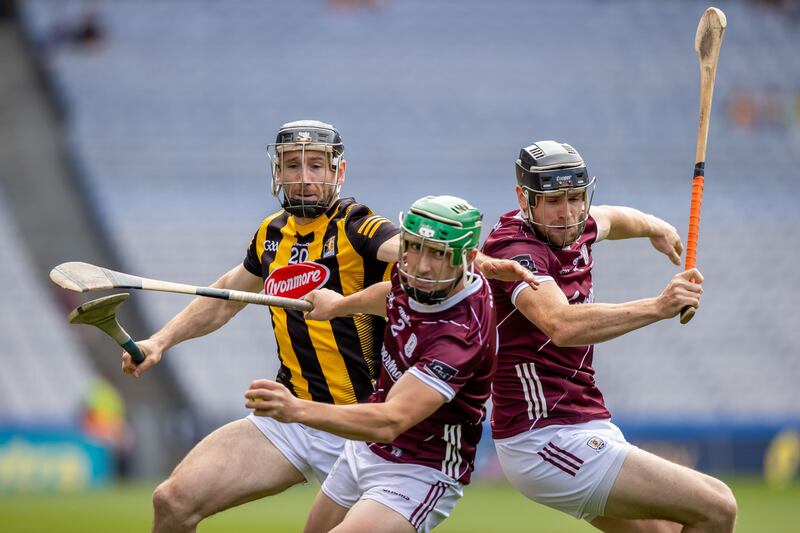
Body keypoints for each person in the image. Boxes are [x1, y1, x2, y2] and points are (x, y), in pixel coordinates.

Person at [119, 120, 532, 531]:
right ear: (276, 172)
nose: (304, 179)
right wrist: (160, 340)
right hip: (290, 418)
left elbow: (412, 249)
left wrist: (477, 261)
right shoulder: (270, 235)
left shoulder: (358, 225)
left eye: (316, 166)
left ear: (338, 171)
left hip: (363, 424)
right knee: (172, 500)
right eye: (292, 166)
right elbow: (226, 296)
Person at [481, 140, 738, 532]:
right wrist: (658, 306)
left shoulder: (576, 224)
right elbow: (561, 325)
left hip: (580, 421)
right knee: (719, 506)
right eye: (554, 201)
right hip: (543, 437)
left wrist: (656, 227)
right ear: (524, 198)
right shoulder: (516, 248)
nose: (567, 213)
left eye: (575, 197)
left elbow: (614, 219)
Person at [246, 195, 497, 533]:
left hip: (420, 468)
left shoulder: (458, 336)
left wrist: (295, 409)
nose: (422, 265)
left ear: (467, 258)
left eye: (438, 253)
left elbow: (390, 420)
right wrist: (340, 305)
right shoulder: (416, 277)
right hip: (366, 449)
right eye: (415, 247)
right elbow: (390, 295)